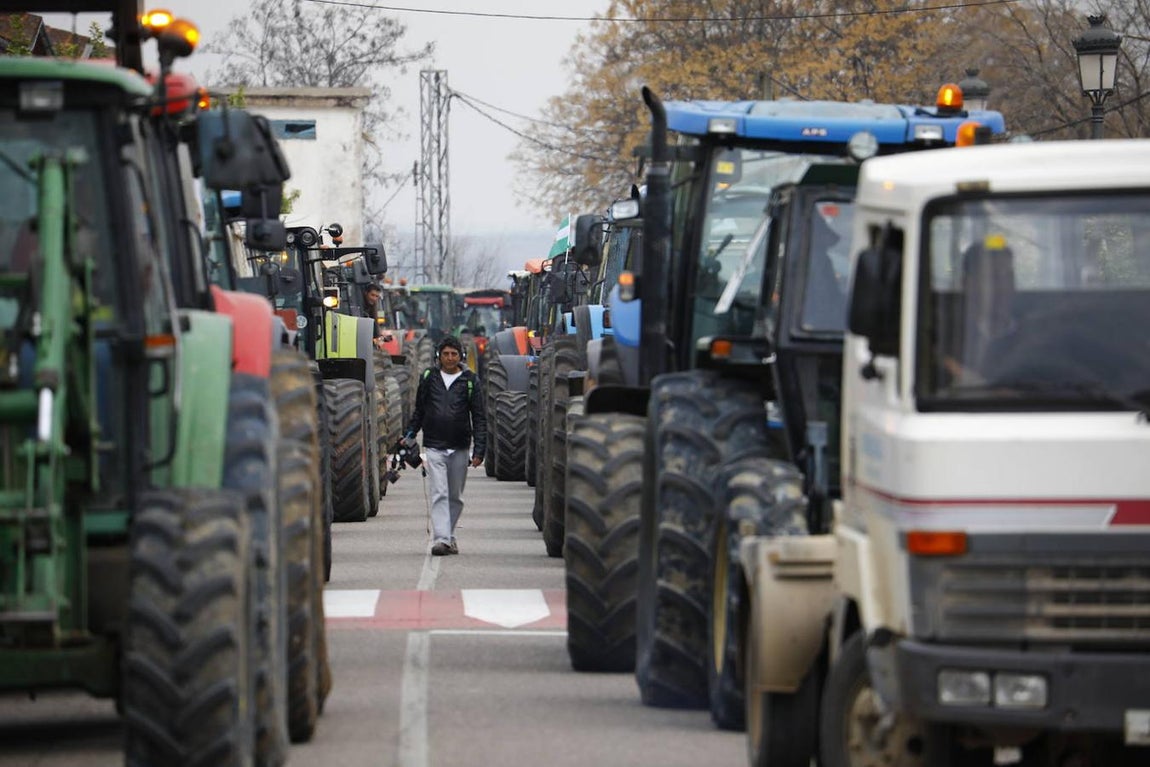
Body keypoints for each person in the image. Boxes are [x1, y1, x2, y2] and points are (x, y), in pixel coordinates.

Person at [404, 336, 486, 556]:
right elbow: (420, 410)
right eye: (446, 354)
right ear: (439, 355)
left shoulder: (470, 381)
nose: (450, 358)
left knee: (455, 497)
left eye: (454, 354)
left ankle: (449, 536)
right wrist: (410, 435)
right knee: (439, 492)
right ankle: (441, 539)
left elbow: (478, 417)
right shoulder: (429, 377)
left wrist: (479, 450)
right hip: (434, 445)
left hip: (460, 446)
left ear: (460, 357)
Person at [362, 282, 386, 349]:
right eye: (372, 295)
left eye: (377, 296)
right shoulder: (359, 305)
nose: (374, 298)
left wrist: (378, 336)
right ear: (366, 293)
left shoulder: (373, 306)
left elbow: (375, 320)